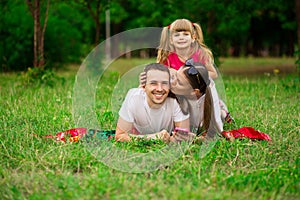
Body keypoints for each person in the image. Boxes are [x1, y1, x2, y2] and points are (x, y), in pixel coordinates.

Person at [156, 18, 234, 124]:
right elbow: (159, 76)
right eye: (177, 35)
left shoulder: (200, 54)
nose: (181, 38)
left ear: (193, 37)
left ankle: (222, 113)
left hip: (198, 93)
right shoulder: (168, 58)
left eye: (185, 34)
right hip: (179, 93)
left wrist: (196, 75)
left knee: (209, 94)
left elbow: (213, 73)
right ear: (171, 40)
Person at [115, 63, 193, 142]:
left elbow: (183, 137)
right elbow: (119, 135)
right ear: (144, 86)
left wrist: (170, 139)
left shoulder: (176, 101)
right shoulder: (134, 97)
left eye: (164, 83)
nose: (159, 89)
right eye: (153, 83)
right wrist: (153, 138)